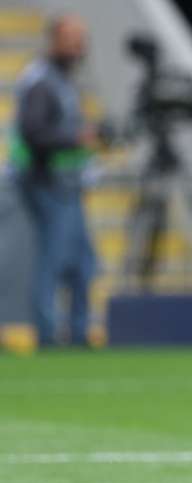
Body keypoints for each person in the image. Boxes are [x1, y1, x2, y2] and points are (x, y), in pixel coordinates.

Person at [9, 14, 96, 347]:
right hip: (45, 183)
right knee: (54, 260)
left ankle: (78, 333)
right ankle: (48, 335)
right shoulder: (41, 81)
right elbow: (33, 133)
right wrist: (76, 139)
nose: (78, 46)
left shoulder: (61, 79)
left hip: (66, 185)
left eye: (81, 38)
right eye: (72, 38)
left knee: (82, 262)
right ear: (54, 40)